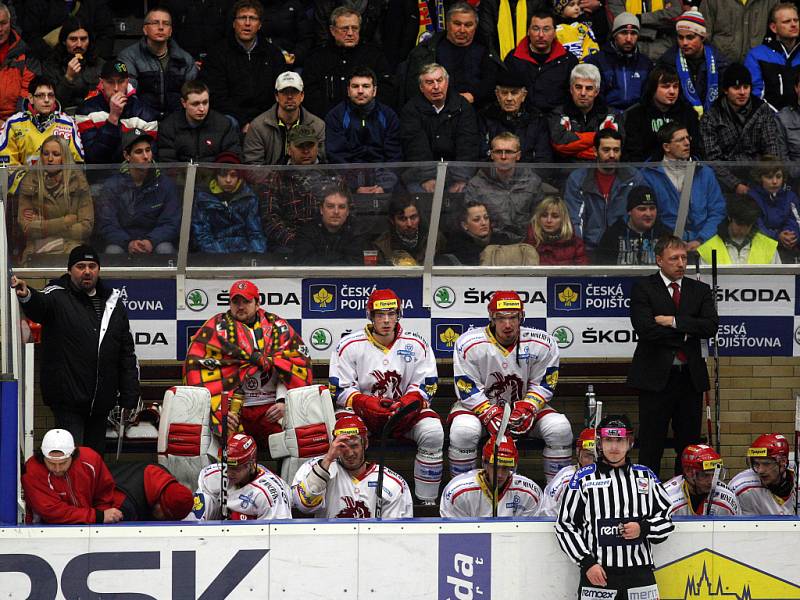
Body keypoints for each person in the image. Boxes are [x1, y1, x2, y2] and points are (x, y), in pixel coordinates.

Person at [12, 246, 139, 453]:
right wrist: (26, 294)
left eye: (92, 266)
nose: (87, 271)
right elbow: (39, 305)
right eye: (80, 266)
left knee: (93, 462)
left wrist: (129, 398)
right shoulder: (57, 294)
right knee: (71, 457)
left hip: (100, 403)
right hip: (68, 401)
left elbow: (126, 353)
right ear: (70, 270)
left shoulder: (113, 303)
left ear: (99, 269)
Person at [328, 289, 443, 503]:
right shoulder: (349, 345)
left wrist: (408, 404)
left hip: (404, 415)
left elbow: (427, 385)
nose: (387, 320)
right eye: (380, 315)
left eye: (392, 314)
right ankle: (344, 497)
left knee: (433, 431)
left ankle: (427, 501)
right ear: (370, 315)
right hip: (363, 416)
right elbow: (339, 389)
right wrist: (365, 403)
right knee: (342, 431)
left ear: (399, 314)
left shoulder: (417, 343)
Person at [450, 290, 573, 482]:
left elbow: (545, 383)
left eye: (513, 317)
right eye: (500, 318)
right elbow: (467, 387)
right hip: (478, 410)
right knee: (463, 431)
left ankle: (558, 493)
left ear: (521, 316)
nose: (507, 325)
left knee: (560, 429)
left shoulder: (543, 343)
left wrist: (529, 406)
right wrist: (488, 412)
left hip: (524, 410)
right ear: (491, 317)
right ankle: (459, 490)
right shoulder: (468, 343)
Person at [627, 235, 719, 478]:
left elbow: (710, 326)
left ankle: (686, 494)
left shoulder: (699, 290)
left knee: (688, 445)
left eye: (684, 258)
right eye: (674, 258)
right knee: (650, 442)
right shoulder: (644, 288)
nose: (681, 263)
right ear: (659, 260)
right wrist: (688, 332)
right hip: (655, 379)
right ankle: (646, 495)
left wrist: (673, 321)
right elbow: (646, 329)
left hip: (690, 379)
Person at [555, 415, 674, 599]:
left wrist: (644, 528)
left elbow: (667, 520)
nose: (614, 447)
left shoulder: (646, 476)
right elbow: (565, 526)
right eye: (608, 440)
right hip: (598, 574)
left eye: (620, 440)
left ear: (630, 443)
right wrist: (587, 563)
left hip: (640, 575)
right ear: (599, 443)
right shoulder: (583, 478)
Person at [184, 279, 312, 449]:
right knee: (230, 452)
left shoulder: (277, 327)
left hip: (270, 408)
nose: (241, 306)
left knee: (292, 445)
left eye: (246, 301)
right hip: (234, 409)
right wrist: (221, 410)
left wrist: (283, 403)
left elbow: (292, 367)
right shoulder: (216, 328)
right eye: (235, 301)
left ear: (257, 303)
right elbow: (198, 369)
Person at [292, 414, 413, 518]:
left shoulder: (393, 483)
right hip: (328, 543)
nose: (349, 453)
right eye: (342, 446)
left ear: (365, 443)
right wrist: (328, 460)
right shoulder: (314, 467)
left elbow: (397, 533)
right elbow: (304, 505)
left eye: (354, 446)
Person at [199, 0, 288, 131]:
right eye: (242, 18)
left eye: (252, 18)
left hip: (266, 116)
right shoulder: (217, 54)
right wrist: (243, 122)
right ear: (234, 23)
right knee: (228, 122)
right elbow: (217, 96)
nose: (247, 23)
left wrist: (259, 121)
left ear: (260, 25)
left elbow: (279, 93)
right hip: (232, 117)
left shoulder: (274, 54)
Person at [700, 62, 786, 194]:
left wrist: (767, 178)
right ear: (725, 90)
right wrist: (735, 185)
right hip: (725, 185)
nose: (742, 92)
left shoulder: (763, 111)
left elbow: (772, 148)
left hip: (761, 180)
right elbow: (713, 159)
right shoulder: (711, 117)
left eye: (746, 87)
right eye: (736, 87)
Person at [641, 122, 726, 251]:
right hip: (664, 244)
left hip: (704, 243)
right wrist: (669, 240)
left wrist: (700, 239)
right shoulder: (648, 175)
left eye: (688, 138)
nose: (687, 143)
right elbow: (647, 216)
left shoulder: (704, 172)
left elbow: (718, 211)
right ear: (666, 147)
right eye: (681, 140)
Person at [258, 125, 343, 250]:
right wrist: (298, 242)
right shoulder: (274, 178)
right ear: (289, 149)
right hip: (289, 246)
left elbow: (348, 212)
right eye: (300, 146)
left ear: (317, 147)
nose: (306, 151)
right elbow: (270, 219)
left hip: (329, 243)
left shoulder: (333, 176)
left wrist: (328, 240)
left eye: (310, 146)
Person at [95, 130, 180, 256]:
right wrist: (128, 242)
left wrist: (151, 240)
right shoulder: (112, 186)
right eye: (139, 152)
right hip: (123, 242)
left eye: (148, 150)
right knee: (113, 251)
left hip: (156, 242)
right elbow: (107, 223)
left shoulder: (165, 184)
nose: (146, 156)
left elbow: (171, 222)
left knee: (165, 249)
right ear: (127, 156)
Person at [399, 63, 480, 193]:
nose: (436, 87)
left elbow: (468, 145)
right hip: (421, 176)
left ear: (447, 82)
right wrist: (427, 178)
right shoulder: (411, 110)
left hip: (457, 175)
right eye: (429, 82)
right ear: (421, 87)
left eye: (439, 81)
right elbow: (415, 148)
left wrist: (461, 179)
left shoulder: (462, 106)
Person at [401, 3, 500, 108]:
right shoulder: (427, 51)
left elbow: (492, 82)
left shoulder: (485, 50)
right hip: (436, 111)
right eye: (457, 24)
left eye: (468, 25)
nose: (462, 30)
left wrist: (473, 95)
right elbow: (414, 88)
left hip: (476, 110)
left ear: (475, 26)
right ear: (447, 24)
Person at [302, 7, 393, 118]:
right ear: (332, 30)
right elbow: (311, 95)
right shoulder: (317, 58)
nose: (350, 33)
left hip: (368, 120)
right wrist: (335, 117)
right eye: (344, 29)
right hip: (328, 121)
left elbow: (386, 90)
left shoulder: (374, 56)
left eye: (354, 28)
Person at [324, 66, 402, 193]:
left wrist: (384, 186)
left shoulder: (388, 115)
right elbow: (337, 157)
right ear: (348, 91)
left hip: (383, 181)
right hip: (347, 183)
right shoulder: (336, 116)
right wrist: (354, 187)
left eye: (366, 86)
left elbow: (394, 157)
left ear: (374, 91)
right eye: (355, 86)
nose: (360, 91)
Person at [16, 135, 93, 263]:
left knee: (76, 262)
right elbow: (27, 228)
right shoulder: (30, 181)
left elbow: (86, 228)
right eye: (46, 154)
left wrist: (43, 227)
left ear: (65, 157)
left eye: (56, 154)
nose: (50, 159)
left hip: (72, 246)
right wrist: (65, 222)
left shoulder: (79, 181)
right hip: (37, 247)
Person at [21, 428, 122, 524]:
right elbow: (52, 511)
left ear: (73, 455)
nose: (57, 469)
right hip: (44, 528)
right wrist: (98, 517)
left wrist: (103, 516)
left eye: (63, 463)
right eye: (51, 463)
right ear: (42, 457)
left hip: (91, 524)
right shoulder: (33, 471)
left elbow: (104, 494)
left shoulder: (90, 459)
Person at [564, 129, 640, 253]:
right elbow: (575, 220)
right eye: (606, 150)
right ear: (595, 151)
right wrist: (579, 251)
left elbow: (640, 218)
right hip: (589, 249)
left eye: (616, 150)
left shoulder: (633, 178)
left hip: (625, 249)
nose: (612, 155)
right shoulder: (578, 179)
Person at [0, 76, 84, 187]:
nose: (46, 100)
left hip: (59, 192)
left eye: (50, 95)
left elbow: (77, 163)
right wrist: (31, 184)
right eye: (40, 95)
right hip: (25, 193)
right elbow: (5, 163)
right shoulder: (13, 124)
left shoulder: (68, 123)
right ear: (30, 98)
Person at [118, 7, 198, 120]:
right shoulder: (128, 56)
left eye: (166, 24)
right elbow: (129, 94)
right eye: (155, 23)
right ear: (145, 29)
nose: (161, 27)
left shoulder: (185, 59)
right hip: (141, 121)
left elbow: (192, 96)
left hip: (177, 121)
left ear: (170, 31)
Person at [464, 131, 544, 243]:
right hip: (490, 244)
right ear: (491, 155)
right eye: (498, 152)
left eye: (509, 152)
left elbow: (540, 217)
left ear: (518, 155)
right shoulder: (476, 184)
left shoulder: (533, 182)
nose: (503, 157)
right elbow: (471, 223)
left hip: (527, 243)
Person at [191, 433, 293, 520]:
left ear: (250, 464)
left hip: (253, 536)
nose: (228, 473)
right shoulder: (214, 475)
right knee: (204, 497)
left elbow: (276, 533)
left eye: (235, 468)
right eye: (225, 466)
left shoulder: (269, 495)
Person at [75, 60, 159, 165]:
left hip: (135, 176)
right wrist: (113, 118)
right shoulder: (86, 111)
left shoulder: (145, 114)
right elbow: (93, 158)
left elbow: (149, 159)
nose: (116, 88)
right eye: (110, 82)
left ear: (127, 81)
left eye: (121, 82)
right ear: (102, 83)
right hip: (101, 177)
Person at [440, 435, 542, 517]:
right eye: (495, 467)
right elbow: (454, 536)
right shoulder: (457, 492)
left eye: (505, 468)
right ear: (484, 463)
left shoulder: (530, 493)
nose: (500, 474)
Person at [243, 71, 326, 166]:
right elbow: (253, 166)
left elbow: (319, 162)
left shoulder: (317, 125)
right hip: (269, 180)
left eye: (294, 92)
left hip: (305, 178)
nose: (290, 96)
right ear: (276, 96)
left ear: (302, 96)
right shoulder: (258, 126)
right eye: (284, 92)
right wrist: (276, 180)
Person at [191, 152, 267, 254]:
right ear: (216, 176)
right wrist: (224, 258)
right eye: (223, 174)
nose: (228, 180)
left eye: (233, 175)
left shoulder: (249, 198)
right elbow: (201, 236)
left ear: (239, 177)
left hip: (244, 255)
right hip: (213, 256)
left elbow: (256, 233)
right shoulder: (203, 199)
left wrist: (255, 258)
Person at [504, 10, 579, 113]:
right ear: (528, 31)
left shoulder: (568, 60)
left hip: (557, 118)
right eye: (536, 29)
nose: (541, 35)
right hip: (523, 120)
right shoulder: (513, 59)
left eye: (546, 29)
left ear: (554, 32)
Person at [658, 10, 729, 118]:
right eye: (680, 37)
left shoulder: (720, 63)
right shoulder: (667, 62)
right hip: (679, 121)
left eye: (690, 37)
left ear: (702, 37)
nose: (684, 43)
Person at [622, 65, 701, 162]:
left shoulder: (688, 113)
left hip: (685, 170)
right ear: (653, 88)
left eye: (675, 86)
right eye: (666, 86)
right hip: (649, 172)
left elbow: (697, 149)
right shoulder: (636, 115)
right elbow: (632, 155)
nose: (672, 91)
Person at [548, 63, 620, 162]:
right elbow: (559, 144)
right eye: (578, 87)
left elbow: (614, 149)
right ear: (571, 89)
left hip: (601, 172)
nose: (583, 93)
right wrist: (597, 137)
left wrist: (573, 151)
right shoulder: (558, 113)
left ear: (597, 91)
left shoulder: (611, 115)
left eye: (589, 88)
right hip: (566, 173)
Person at [478, 68, 552, 162]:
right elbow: (481, 157)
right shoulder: (484, 117)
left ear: (524, 95)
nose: (509, 98)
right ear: (497, 95)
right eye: (504, 93)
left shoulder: (537, 119)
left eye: (514, 93)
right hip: (492, 174)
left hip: (528, 175)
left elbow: (543, 160)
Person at [158, 80, 241, 162]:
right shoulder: (168, 127)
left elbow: (231, 160)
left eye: (205, 103)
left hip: (215, 175)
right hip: (181, 175)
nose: (202, 109)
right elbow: (167, 163)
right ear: (183, 103)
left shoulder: (224, 125)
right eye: (195, 104)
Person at [585, 13, 652, 111]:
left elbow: (648, 99)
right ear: (614, 35)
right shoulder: (597, 61)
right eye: (624, 33)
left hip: (637, 117)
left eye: (633, 33)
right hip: (605, 116)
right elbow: (594, 99)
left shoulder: (646, 64)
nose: (629, 39)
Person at [594, 184, 671, 265]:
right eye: (642, 209)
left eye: (652, 208)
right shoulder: (612, 235)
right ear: (629, 211)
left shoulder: (666, 236)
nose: (648, 214)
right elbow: (603, 270)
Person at [292, 186, 369, 265]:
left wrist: (323, 257)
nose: (336, 211)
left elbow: (355, 263)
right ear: (321, 209)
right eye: (330, 206)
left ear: (348, 211)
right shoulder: (307, 232)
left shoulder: (357, 231)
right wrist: (340, 256)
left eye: (341, 207)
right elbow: (303, 263)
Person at [15, 0, 114, 61]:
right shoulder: (38, 3)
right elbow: (31, 35)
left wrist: (93, 58)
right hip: (49, 64)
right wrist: (54, 59)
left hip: (89, 63)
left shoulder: (95, 3)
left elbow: (106, 34)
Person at [746, 3, 800, 112]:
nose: (794, 24)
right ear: (773, 27)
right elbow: (755, 96)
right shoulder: (757, 55)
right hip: (770, 121)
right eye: (787, 21)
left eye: (796, 20)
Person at [41, 17, 105, 110]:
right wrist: (68, 78)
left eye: (83, 39)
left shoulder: (100, 64)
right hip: (62, 116)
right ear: (64, 41)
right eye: (73, 39)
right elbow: (51, 105)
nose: (79, 44)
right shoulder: (51, 65)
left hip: (94, 115)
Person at [698, 194, 782, 264]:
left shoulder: (768, 247)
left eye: (748, 225)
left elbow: (779, 282)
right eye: (739, 224)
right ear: (729, 217)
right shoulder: (708, 249)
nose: (743, 230)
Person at [729, 433, 798, 516]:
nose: (760, 471)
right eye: (756, 464)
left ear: (783, 462)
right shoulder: (741, 487)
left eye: (766, 464)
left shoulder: (797, 480)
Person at [662, 444, 740, 516]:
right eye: (705, 475)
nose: (711, 481)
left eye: (715, 475)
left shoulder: (728, 498)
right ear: (688, 471)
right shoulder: (666, 498)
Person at [748, 157, 800, 261]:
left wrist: (791, 236)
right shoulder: (752, 197)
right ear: (760, 178)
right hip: (762, 249)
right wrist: (777, 236)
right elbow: (755, 227)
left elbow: (795, 221)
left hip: (788, 247)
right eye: (769, 177)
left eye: (778, 176)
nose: (775, 181)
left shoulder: (790, 196)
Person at [372, 193, 444, 266]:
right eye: (403, 219)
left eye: (413, 217)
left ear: (419, 217)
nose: (409, 224)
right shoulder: (382, 245)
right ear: (392, 221)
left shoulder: (434, 238)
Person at [537, 428, 595, 517]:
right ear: (578, 454)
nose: (594, 462)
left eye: (599, 455)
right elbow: (547, 517)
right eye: (589, 455)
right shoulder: (565, 480)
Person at [109, 462, 194, 521]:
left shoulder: (162, 477)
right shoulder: (122, 507)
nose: (166, 521)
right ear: (160, 504)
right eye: (166, 517)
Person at [701, 0, 778, 63]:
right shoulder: (711, 2)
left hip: (757, 67)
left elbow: (780, 34)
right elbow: (703, 38)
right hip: (719, 67)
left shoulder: (770, 2)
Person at [443, 200, 514, 265]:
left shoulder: (502, 240)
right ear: (465, 225)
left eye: (486, 218)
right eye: (476, 220)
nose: (483, 223)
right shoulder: (456, 246)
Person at [0, 4, 37, 128]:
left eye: (3, 23)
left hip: (17, 120)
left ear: (10, 23)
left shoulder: (25, 53)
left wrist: (13, 123)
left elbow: (28, 90)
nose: (0, 29)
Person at [525, 195, 588, 265]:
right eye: (544, 215)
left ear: (563, 220)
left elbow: (582, 273)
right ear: (538, 218)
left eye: (555, 216)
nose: (549, 220)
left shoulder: (576, 244)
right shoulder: (528, 244)